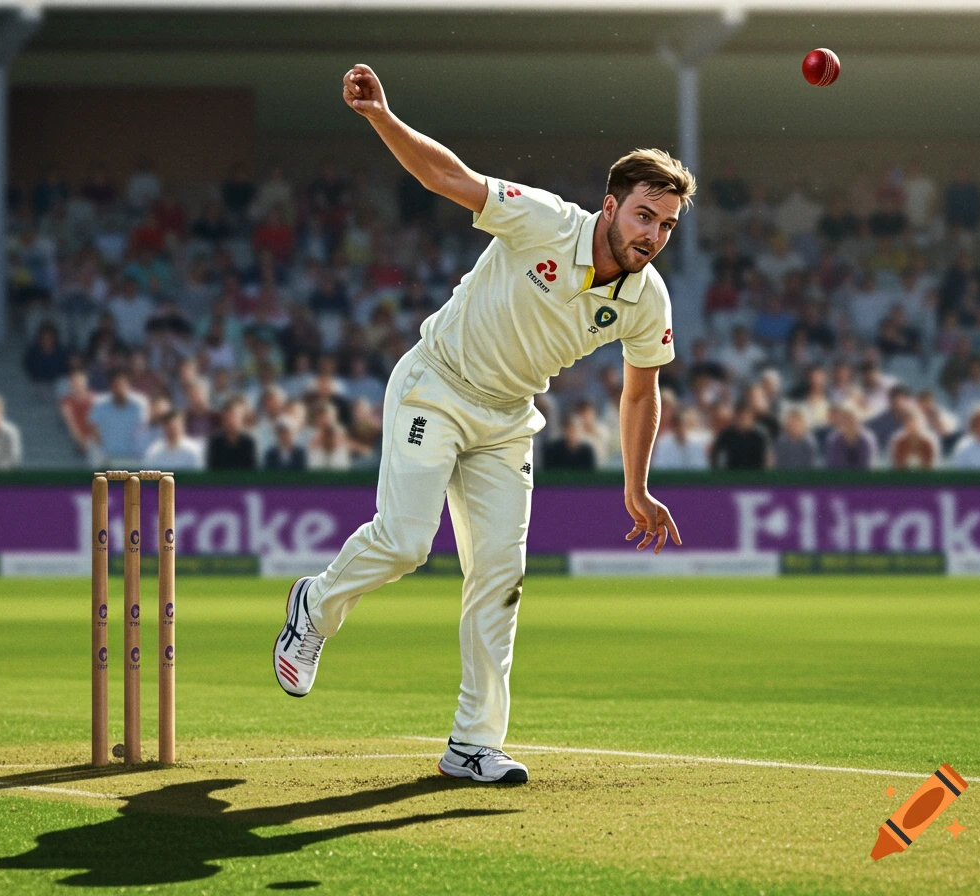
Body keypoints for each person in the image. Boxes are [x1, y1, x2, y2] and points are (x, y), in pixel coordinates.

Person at [273, 64, 691, 785]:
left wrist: (637, 485)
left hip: (506, 421)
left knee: (501, 576)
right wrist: (382, 117)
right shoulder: (545, 220)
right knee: (406, 544)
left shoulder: (647, 299)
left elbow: (639, 393)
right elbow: (449, 178)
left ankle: (472, 744)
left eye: (667, 225)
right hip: (436, 386)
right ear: (610, 206)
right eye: (643, 216)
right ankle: (315, 602)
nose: (652, 235)